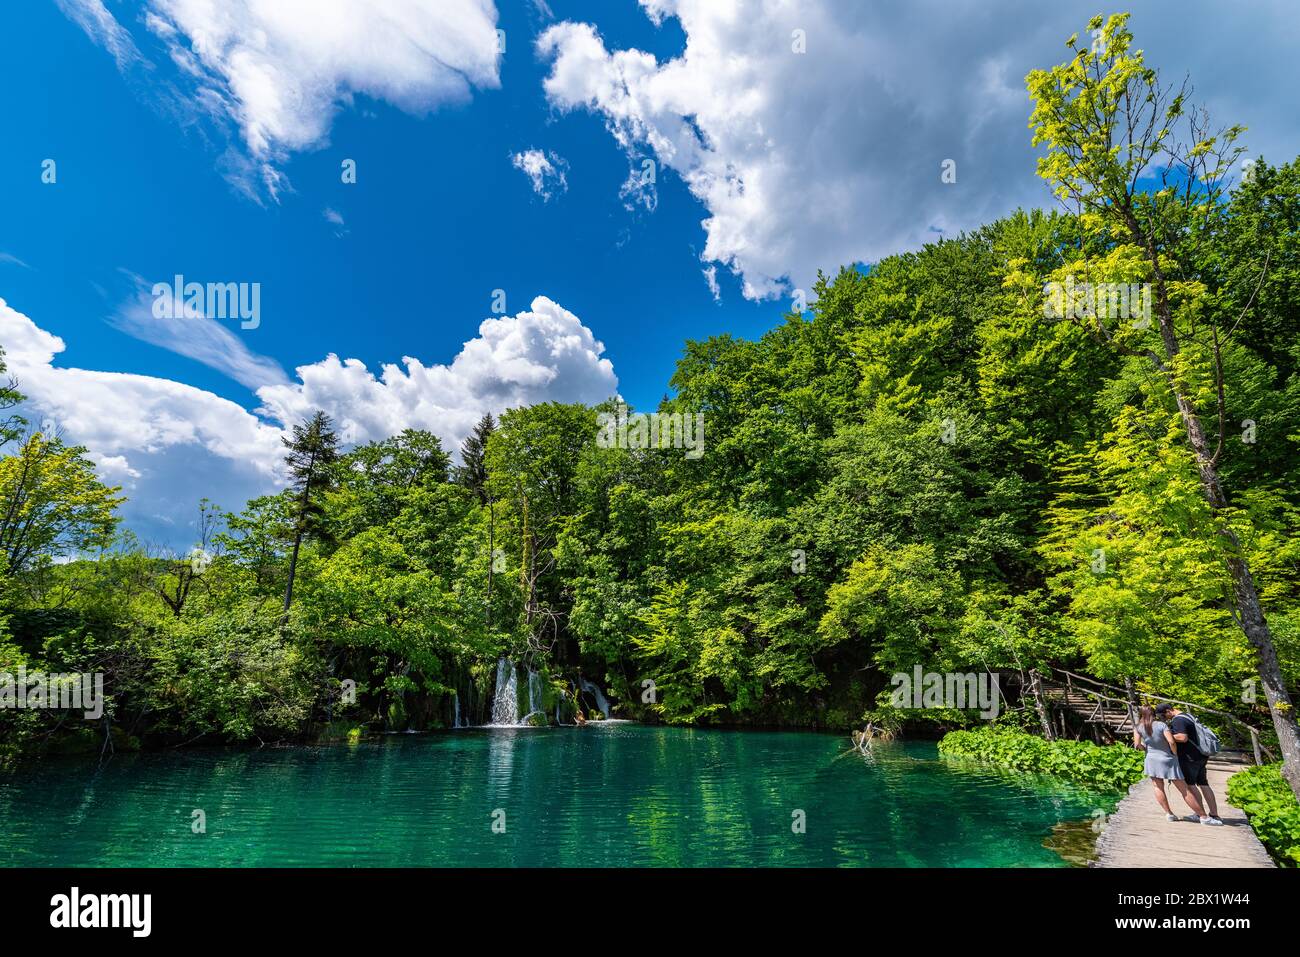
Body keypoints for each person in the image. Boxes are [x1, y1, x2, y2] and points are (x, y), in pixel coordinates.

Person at [1133, 705, 1208, 823]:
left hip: (1151, 759)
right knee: (1184, 789)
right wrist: (1174, 754)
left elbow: (1137, 745)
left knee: (1157, 787)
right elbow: (1171, 741)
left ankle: (1169, 814)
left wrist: (1146, 750)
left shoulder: (1138, 727)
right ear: (1153, 714)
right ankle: (1203, 817)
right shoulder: (1161, 725)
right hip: (1167, 758)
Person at [1156, 702, 1224, 825]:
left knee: (1190, 785)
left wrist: (1166, 735)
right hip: (1201, 754)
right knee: (1203, 783)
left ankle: (1200, 814)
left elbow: (1182, 737)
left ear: (1168, 711)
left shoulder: (1178, 720)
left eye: (1163, 716)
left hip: (1189, 757)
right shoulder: (1188, 716)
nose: (1164, 719)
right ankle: (1214, 814)